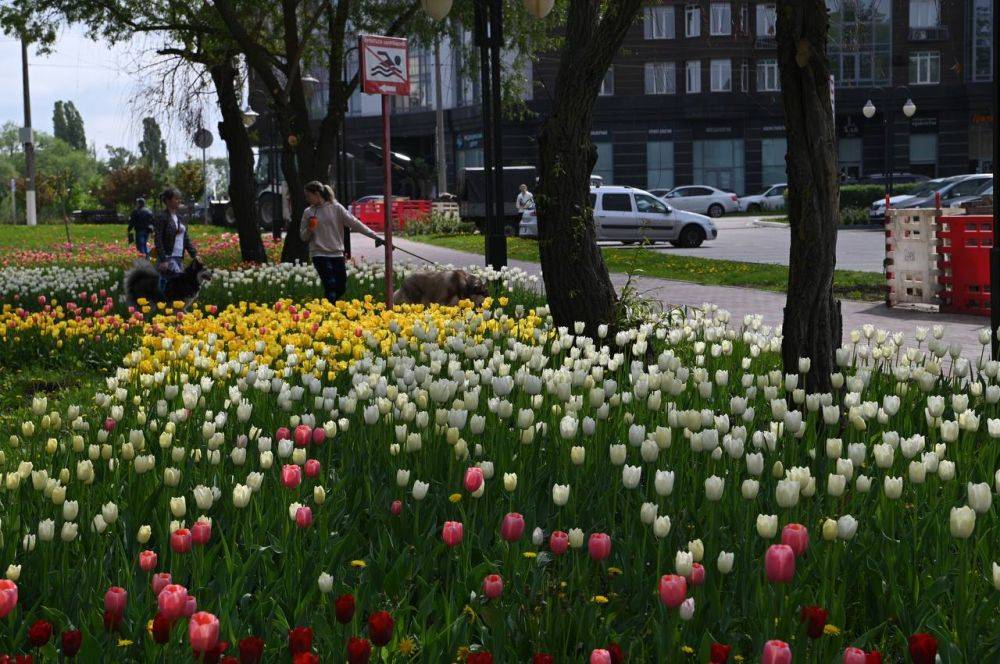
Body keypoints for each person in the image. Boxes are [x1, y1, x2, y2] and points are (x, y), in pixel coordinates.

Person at [300, 181, 383, 303]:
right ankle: (330, 313)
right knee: (330, 284)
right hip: (318, 253)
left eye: (308, 196)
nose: (307, 199)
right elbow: (303, 237)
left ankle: (325, 307)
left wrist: (375, 236)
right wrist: (310, 229)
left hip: (336, 253)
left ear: (317, 194)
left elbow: (355, 223)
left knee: (341, 286)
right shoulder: (308, 212)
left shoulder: (336, 208)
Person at [153, 187, 198, 275]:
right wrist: (163, 260)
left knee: (178, 286)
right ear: (168, 200)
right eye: (176, 198)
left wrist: (194, 255)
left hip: (179, 257)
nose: (179, 201)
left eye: (179, 198)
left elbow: (185, 238)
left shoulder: (180, 218)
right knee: (175, 284)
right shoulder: (162, 217)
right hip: (168, 258)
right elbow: (158, 240)